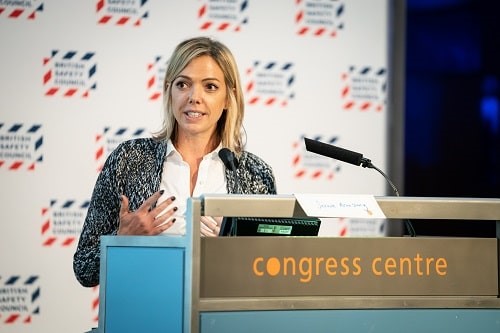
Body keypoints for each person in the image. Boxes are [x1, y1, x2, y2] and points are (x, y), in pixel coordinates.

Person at [73, 36, 277, 287]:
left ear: (228, 98)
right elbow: (84, 268)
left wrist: (238, 247)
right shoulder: (129, 159)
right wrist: (122, 241)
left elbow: (271, 274)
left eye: (210, 86)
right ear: (169, 91)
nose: (194, 97)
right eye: (183, 84)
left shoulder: (255, 173)